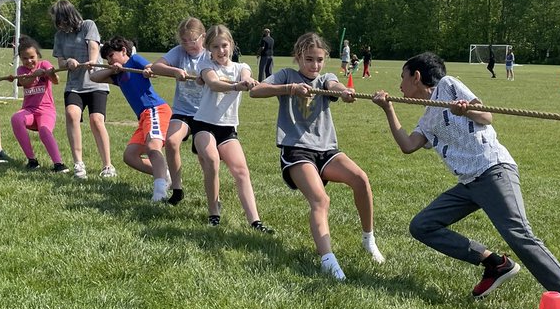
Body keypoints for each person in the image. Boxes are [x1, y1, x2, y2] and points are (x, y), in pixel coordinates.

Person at [372, 52, 560, 309]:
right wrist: (388, 109)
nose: (400, 85)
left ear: (417, 77)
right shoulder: (428, 118)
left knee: (519, 234)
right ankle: (495, 264)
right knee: (422, 225)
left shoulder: (447, 85)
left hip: (492, 170)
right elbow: (408, 145)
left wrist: (465, 109)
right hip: (469, 183)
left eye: (403, 78)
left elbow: (486, 115)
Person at [250, 32, 385, 281]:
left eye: (319, 60)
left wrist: (344, 91)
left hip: (326, 149)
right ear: (298, 57)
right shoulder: (286, 76)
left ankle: (369, 240)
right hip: (296, 149)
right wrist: (289, 89)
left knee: (361, 179)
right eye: (309, 59)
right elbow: (256, 91)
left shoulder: (326, 78)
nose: (314, 65)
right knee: (321, 200)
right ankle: (328, 260)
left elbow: (334, 86)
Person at [192, 24, 272, 231]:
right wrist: (236, 86)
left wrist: (246, 81)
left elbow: (245, 75)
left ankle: (255, 222)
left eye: (224, 46)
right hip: (204, 125)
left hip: (227, 128)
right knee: (211, 161)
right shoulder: (206, 66)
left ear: (232, 45)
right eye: (216, 47)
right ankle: (214, 214)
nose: (221, 51)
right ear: (209, 49)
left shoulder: (241, 67)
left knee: (241, 171)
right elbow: (213, 83)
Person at [90, 37, 171, 201]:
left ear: (124, 51)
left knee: (152, 147)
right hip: (143, 117)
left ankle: (160, 191)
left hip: (155, 110)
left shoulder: (134, 60)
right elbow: (94, 78)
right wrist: (113, 69)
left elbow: (150, 67)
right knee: (130, 156)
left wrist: (149, 70)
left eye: (112, 55)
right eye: (107, 58)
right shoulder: (118, 76)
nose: (110, 60)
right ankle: (166, 175)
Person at [50, 0, 115, 181]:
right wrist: (68, 62)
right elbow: (61, 62)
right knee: (71, 114)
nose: (58, 23)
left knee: (96, 120)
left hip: (95, 82)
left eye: (59, 19)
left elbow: (93, 46)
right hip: (74, 85)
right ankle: (78, 164)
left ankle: (108, 165)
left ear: (67, 15)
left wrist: (92, 63)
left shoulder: (88, 25)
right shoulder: (59, 36)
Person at [150, 17, 211, 205]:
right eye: (184, 41)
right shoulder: (179, 53)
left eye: (192, 40)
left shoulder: (210, 54)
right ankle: (177, 189)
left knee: (205, 156)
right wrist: (174, 71)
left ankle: (213, 194)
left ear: (203, 36)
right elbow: (156, 66)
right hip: (183, 110)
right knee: (171, 141)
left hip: (206, 113)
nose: (188, 45)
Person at [10, 37, 68, 173]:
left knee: (44, 130)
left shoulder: (44, 64)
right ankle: (32, 160)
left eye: (32, 57)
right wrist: (34, 75)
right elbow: (25, 83)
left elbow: (56, 81)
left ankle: (59, 164)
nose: (29, 61)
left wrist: (51, 74)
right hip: (29, 111)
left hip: (46, 111)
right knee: (16, 118)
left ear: (38, 55)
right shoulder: (21, 70)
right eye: (25, 58)